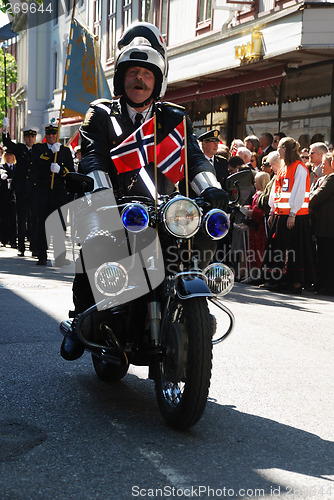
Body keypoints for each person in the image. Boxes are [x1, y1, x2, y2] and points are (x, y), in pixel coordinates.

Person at [60, 22, 228, 361]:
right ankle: (82, 316)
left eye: (147, 74)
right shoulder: (102, 113)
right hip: (118, 207)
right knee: (93, 246)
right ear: (122, 76)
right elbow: (92, 155)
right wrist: (99, 188)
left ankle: (194, 311)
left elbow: (192, 157)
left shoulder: (174, 117)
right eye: (133, 72)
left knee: (202, 238)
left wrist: (212, 189)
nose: (139, 79)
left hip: (166, 211)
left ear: (159, 78)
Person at [263, 137, 315, 293]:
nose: (277, 150)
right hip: (281, 214)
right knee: (280, 249)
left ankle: (296, 284)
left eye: (280, 147)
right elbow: (276, 191)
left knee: (294, 250)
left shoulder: (299, 168)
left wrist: (292, 213)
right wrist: (273, 210)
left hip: (295, 217)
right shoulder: (283, 167)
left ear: (286, 149)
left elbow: (299, 192)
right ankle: (282, 281)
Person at [31, 123, 75, 266]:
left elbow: (70, 171)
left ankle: (60, 257)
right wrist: (51, 155)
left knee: (59, 225)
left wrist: (60, 169)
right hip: (43, 192)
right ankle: (42, 255)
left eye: (54, 134)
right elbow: (36, 164)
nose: (51, 136)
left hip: (58, 193)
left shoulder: (65, 151)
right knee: (42, 225)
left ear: (57, 135)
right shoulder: (39, 148)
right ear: (46, 135)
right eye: (49, 134)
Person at [2, 125, 39, 256]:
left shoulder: (39, 149)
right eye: (28, 136)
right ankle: (21, 247)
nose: (30, 139)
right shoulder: (20, 148)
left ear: (35, 138)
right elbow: (8, 144)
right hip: (21, 189)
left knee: (34, 219)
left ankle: (34, 247)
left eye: (32, 136)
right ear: (24, 138)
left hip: (34, 189)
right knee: (21, 219)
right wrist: (5, 131)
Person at [309, 152, 334, 295]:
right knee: (323, 256)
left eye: (325, 163)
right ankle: (322, 284)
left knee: (326, 257)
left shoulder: (332, 178)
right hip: (325, 226)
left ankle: (327, 286)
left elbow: (317, 197)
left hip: (328, 227)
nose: (322, 165)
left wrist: (310, 198)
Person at [0, 148, 17, 248]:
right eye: (7, 155)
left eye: (11, 155)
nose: (9, 156)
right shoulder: (2, 167)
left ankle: (13, 240)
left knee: (13, 218)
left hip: (14, 196)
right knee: (4, 218)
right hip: (3, 196)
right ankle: (4, 239)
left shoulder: (16, 167)